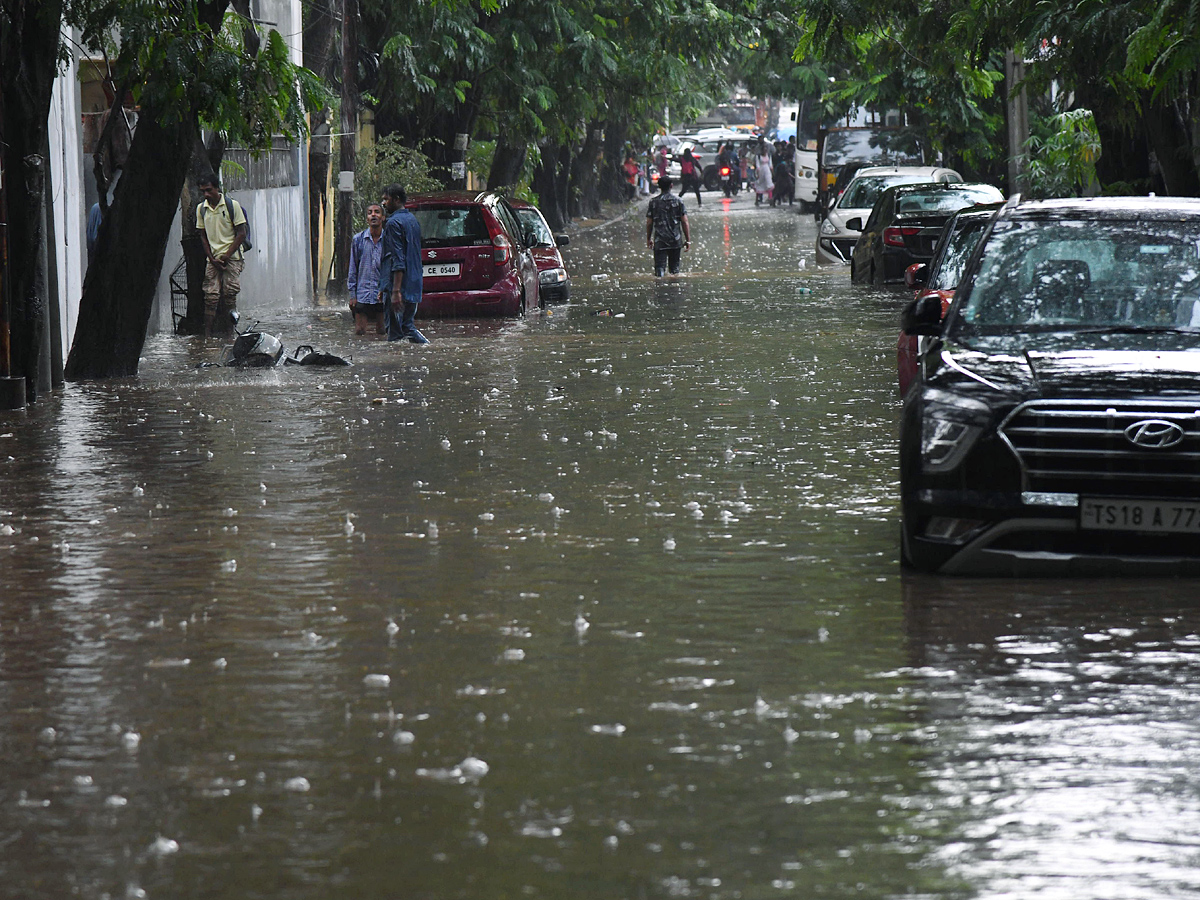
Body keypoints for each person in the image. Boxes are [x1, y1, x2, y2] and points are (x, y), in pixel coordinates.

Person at [195, 174, 248, 337]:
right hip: (213, 259)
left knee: (230, 294)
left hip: (232, 258)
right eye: (203, 191)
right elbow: (202, 235)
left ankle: (230, 332)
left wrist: (226, 255)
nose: (206, 195)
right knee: (210, 296)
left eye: (209, 190)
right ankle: (207, 335)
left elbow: (241, 233)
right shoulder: (201, 209)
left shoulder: (232, 206)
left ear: (217, 188)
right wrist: (212, 258)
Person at [379, 183, 428, 344]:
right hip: (413, 283)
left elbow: (397, 259)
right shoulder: (412, 220)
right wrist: (383, 286)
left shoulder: (393, 224)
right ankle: (427, 351)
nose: (383, 203)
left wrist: (395, 291)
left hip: (399, 285)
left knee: (394, 334)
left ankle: (396, 367)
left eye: (386, 200)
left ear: (396, 199)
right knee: (407, 327)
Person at [346, 203, 386, 335]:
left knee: (383, 331)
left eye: (377, 212)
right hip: (363, 294)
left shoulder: (388, 239)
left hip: (383, 294)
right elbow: (353, 267)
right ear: (367, 219)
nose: (373, 215)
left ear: (383, 217)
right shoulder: (358, 240)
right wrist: (353, 295)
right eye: (370, 213)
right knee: (360, 331)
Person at [646, 176, 690, 277]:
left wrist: (648, 239)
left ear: (659, 187)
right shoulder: (678, 201)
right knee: (674, 271)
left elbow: (649, 223)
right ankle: (673, 291)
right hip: (675, 239)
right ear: (671, 186)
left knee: (659, 269)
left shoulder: (653, 202)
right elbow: (684, 222)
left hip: (659, 240)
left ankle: (660, 289)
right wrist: (687, 240)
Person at [754, 140, 775, 206]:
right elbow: (758, 165)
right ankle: (757, 199)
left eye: (766, 149)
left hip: (767, 170)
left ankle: (770, 199)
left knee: (769, 184)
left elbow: (770, 165)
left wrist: (772, 172)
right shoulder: (758, 156)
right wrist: (757, 174)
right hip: (761, 171)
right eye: (763, 149)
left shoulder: (768, 155)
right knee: (760, 184)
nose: (765, 150)